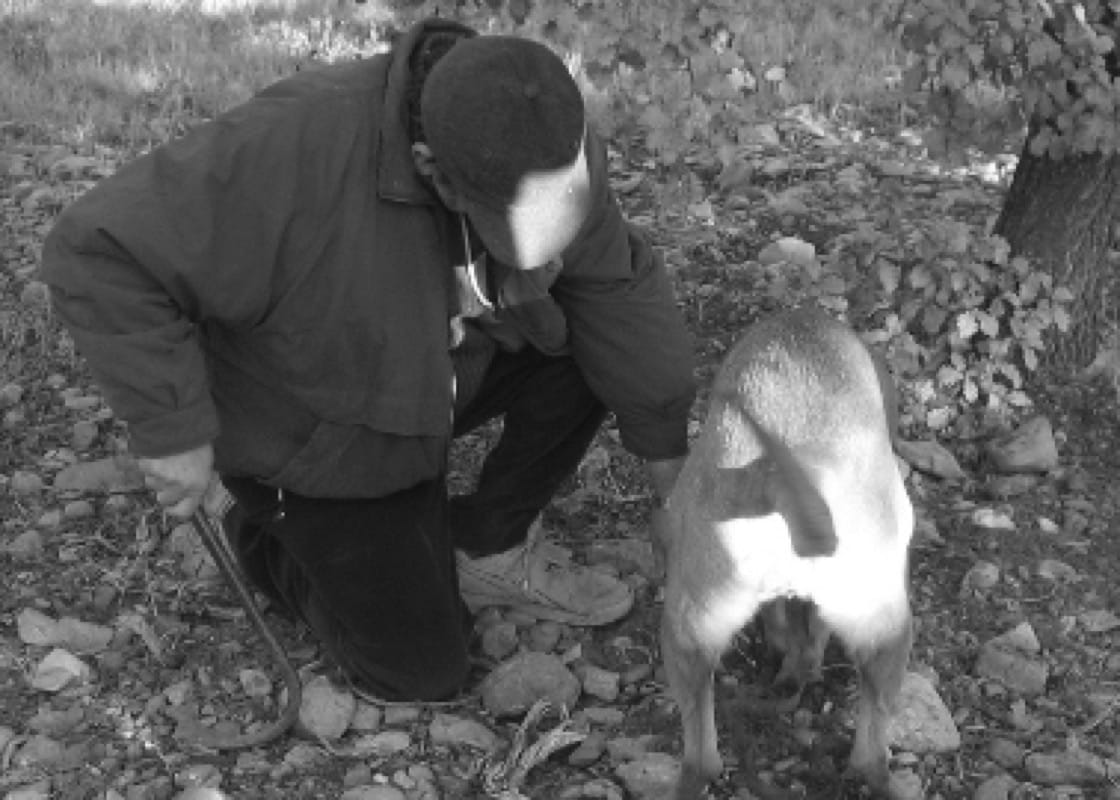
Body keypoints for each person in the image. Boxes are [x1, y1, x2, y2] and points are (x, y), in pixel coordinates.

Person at [39, 17, 695, 701]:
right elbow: (99, 251)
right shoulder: (288, 149)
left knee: (588, 341)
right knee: (422, 673)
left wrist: (675, 488)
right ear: (433, 170)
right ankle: (258, 525)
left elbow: (616, 292)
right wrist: (173, 428)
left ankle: (487, 544)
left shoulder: (545, 130)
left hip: (416, 382)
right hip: (314, 424)